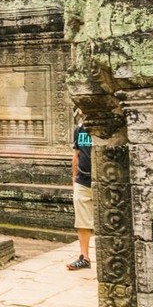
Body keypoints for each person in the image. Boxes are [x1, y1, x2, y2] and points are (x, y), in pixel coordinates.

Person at [68, 110, 93, 271]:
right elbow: (76, 154)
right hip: (82, 180)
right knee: (82, 220)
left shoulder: (104, 127)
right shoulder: (79, 130)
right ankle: (84, 256)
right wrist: (74, 176)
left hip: (103, 179)